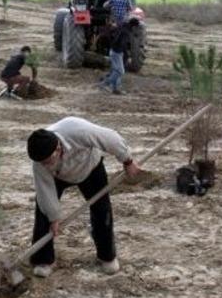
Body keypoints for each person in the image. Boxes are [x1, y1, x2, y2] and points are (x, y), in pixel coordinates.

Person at [26, 117, 141, 278]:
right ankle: (43, 260)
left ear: (58, 148)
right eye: (42, 162)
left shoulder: (77, 130)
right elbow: (45, 191)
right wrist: (54, 218)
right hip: (58, 177)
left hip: (90, 168)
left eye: (47, 160)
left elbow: (111, 139)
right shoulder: (39, 162)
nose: (45, 164)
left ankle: (106, 256)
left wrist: (128, 161)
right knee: (43, 213)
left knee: (102, 211)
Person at [98, 18, 138, 95]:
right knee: (120, 71)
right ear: (133, 26)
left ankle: (115, 89)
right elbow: (122, 44)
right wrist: (127, 54)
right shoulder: (126, 32)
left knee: (115, 70)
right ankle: (104, 84)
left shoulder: (122, 27)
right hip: (117, 52)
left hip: (114, 51)